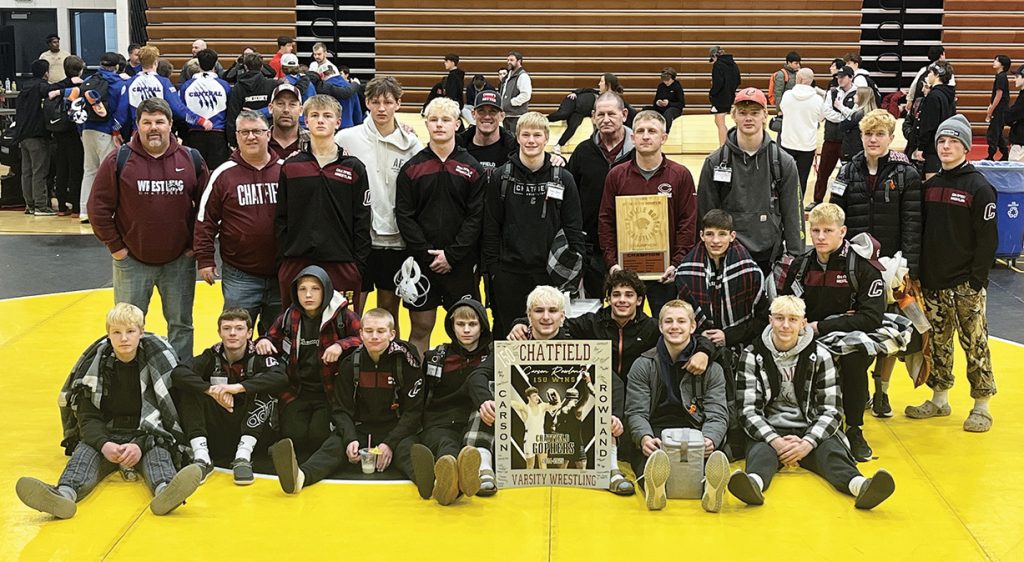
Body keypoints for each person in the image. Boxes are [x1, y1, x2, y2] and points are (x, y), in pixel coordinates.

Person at [16, 303, 202, 519]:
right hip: (106, 434)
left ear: (141, 333)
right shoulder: (94, 367)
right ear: (108, 335)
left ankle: (166, 491)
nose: (124, 338)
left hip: (146, 434)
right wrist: (104, 444)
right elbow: (87, 417)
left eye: (130, 332)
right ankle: (63, 495)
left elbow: (167, 412)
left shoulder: (158, 361)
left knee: (159, 454)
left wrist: (139, 445)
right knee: (84, 455)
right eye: (117, 332)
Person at [728, 296, 896, 510]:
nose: (785, 325)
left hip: (811, 426)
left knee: (832, 452)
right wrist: (775, 441)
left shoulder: (821, 355)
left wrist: (808, 442)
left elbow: (832, 410)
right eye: (779, 318)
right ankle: (753, 485)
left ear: (803, 323)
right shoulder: (752, 355)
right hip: (770, 429)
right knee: (760, 453)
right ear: (770, 320)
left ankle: (861, 486)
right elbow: (748, 411)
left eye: (792, 319)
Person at [469, 285, 627, 494]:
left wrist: (614, 416)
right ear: (528, 316)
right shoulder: (511, 347)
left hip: (569, 431)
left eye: (552, 311)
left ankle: (611, 470)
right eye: (539, 311)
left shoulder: (580, 348)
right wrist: (485, 401)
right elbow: (477, 376)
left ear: (563, 316)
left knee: (602, 404)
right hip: (524, 432)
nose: (546, 317)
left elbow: (615, 384)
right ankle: (485, 470)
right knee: (489, 402)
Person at [88, 97, 209, 364]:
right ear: (138, 126)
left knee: (181, 325)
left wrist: (193, 247)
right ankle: (129, 379)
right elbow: (97, 208)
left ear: (170, 125)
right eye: (147, 122)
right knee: (126, 328)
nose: (153, 128)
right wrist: (117, 248)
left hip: (178, 260)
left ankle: (180, 381)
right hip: (132, 261)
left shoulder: (191, 158)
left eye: (159, 122)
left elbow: (207, 209)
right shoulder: (119, 159)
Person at [907, 115, 998, 433]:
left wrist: (977, 281)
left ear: (966, 147)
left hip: (965, 284)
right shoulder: (930, 186)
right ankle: (940, 398)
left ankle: (982, 405)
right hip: (933, 283)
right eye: (942, 142)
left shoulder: (979, 188)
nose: (946, 147)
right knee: (938, 344)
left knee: (975, 343)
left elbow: (988, 239)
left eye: (953, 142)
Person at [268, 308, 421, 493]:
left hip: (396, 429)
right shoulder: (350, 363)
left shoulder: (406, 361)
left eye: (381, 331)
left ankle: (432, 483)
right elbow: (340, 409)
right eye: (369, 331)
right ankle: (301, 477)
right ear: (361, 334)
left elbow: (414, 411)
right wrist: (350, 439)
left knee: (409, 452)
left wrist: (390, 443)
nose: (375, 336)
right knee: (332, 447)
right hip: (361, 429)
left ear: (392, 334)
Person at [831, 109, 922, 417]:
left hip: (892, 267)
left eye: (879, 134)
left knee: (891, 331)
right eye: (868, 134)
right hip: (855, 265)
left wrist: (909, 264)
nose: (873, 139)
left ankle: (882, 391)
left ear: (890, 138)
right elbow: (835, 216)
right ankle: (855, 390)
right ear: (861, 136)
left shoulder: (906, 173)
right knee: (857, 326)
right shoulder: (847, 170)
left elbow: (912, 221)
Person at [777, 203, 885, 461]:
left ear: (843, 231)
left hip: (847, 336)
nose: (821, 237)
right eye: (815, 230)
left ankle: (855, 430)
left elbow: (871, 317)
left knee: (854, 360)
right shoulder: (800, 266)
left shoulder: (863, 268)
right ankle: (802, 423)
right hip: (807, 335)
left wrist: (823, 327)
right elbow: (787, 305)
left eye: (828, 230)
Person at [395, 97, 485, 357]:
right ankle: (418, 390)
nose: (439, 125)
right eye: (433, 119)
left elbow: (475, 217)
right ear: (426, 123)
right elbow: (405, 216)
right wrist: (426, 254)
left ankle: (467, 387)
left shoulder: (472, 168)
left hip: (461, 264)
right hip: (422, 264)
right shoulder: (412, 168)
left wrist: (452, 255)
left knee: (467, 328)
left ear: (457, 124)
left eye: (445, 120)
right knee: (421, 327)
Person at [482, 112, 585, 337]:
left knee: (549, 335)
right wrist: (493, 271)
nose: (531, 140)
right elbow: (491, 227)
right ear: (517, 137)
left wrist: (574, 271)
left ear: (546, 138)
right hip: (509, 273)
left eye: (537, 135)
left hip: (550, 273)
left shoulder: (563, 178)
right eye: (526, 134)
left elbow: (574, 228)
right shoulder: (501, 177)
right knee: (506, 334)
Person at [625, 299, 731, 512]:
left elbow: (718, 413)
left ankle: (710, 488)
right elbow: (636, 411)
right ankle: (653, 487)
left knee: (720, 450)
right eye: (669, 321)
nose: (675, 326)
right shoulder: (643, 364)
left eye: (681, 321)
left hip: (697, 429)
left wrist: (710, 439)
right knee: (642, 453)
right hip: (657, 430)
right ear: (660, 326)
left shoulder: (712, 368)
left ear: (692, 327)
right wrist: (644, 437)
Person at [336, 76, 422, 323]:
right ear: (366, 103)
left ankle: (386, 358)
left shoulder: (412, 144)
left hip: (396, 241)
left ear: (398, 104)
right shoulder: (346, 139)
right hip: (358, 240)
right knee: (352, 314)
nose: (381, 108)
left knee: (388, 314)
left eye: (387, 102)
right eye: (375, 102)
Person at [256, 266, 361, 464]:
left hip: (330, 392)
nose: (308, 295)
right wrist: (263, 341)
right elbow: (271, 337)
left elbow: (366, 339)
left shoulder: (342, 315)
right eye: (302, 289)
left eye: (315, 289)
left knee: (317, 437)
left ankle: (312, 465)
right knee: (293, 436)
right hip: (297, 390)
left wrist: (341, 345)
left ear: (327, 291)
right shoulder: (289, 316)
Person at [171, 308, 289, 485]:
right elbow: (179, 373)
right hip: (217, 431)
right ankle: (201, 457)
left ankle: (243, 456)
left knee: (266, 388)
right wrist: (212, 391)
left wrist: (238, 388)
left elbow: (281, 378)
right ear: (219, 332)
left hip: (253, 435)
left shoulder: (259, 357)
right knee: (189, 389)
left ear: (249, 333)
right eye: (226, 328)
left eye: (239, 328)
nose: (232, 333)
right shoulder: (210, 356)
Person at [598, 110, 698, 317]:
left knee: (667, 326)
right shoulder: (616, 175)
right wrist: (612, 263)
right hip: (625, 272)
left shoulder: (680, 175)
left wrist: (676, 263)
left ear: (664, 138)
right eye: (640, 131)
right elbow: (606, 221)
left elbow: (687, 223)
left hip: (666, 273)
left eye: (652, 131)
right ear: (632, 137)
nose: (645, 136)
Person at [275, 94, 371, 311]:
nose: (320, 120)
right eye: (315, 115)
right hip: (296, 261)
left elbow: (362, 219)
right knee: (296, 327)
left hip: (342, 262)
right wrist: (283, 263)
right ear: (305, 120)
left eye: (327, 116)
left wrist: (357, 265)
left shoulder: (354, 168)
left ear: (337, 122)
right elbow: (281, 218)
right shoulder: (291, 167)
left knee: (343, 329)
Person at [696, 87, 804, 273]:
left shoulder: (783, 162)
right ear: (734, 116)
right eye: (743, 113)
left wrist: (796, 259)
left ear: (765, 116)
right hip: (726, 257)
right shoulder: (714, 162)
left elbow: (794, 213)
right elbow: (705, 213)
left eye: (755, 113)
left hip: (770, 257)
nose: (748, 118)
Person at [194, 109, 281, 335]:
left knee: (278, 338)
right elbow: (206, 220)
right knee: (236, 335)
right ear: (236, 136)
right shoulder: (224, 173)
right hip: (240, 274)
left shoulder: (286, 170)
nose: (251, 137)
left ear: (269, 134)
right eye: (244, 132)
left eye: (257, 131)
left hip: (281, 272)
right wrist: (205, 259)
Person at [404, 298, 490, 505]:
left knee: (472, 447)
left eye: (473, 324)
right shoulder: (436, 357)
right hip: (440, 422)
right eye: (461, 324)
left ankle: (452, 484)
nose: (466, 330)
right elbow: (421, 396)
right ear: (452, 326)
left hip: (475, 422)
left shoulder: (494, 356)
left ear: (483, 326)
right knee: (447, 444)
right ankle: (453, 478)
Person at [568, 92, 636, 298]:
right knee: (592, 310)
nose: (605, 119)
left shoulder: (639, 153)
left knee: (629, 306)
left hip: (633, 246)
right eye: (601, 114)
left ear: (624, 115)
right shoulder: (582, 152)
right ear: (593, 116)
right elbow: (570, 198)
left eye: (611, 114)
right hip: (592, 247)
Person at [675, 209, 767, 356]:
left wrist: (728, 336)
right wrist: (700, 336)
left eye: (722, 234)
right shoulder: (684, 273)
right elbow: (679, 318)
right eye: (710, 234)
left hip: (743, 347)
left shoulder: (750, 272)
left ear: (732, 236)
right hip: (696, 346)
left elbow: (763, 320)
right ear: (701, 236)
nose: (715, 241)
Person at [811, 65, 857, 211]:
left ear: (850, 77)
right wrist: (844, 117)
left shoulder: (858, 93)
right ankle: (817, 200)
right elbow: (827, 112)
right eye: (838, 77)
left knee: (847, 173)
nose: (839, 79)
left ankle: (843, 202)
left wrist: (844, 115)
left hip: (848, 140)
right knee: (823, 171)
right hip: (831, 138)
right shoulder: (831, 92)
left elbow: (855, 115)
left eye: (842, 77)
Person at [549, 73, 632, 151]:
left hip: (579, 113)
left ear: (608, 84)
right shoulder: (594, 92)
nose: (599, 84)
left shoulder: (616, 100)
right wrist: (575, 93)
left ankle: (558, 145)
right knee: (563, 114)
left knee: (573, 126)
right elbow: (584, 89)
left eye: (601, 81)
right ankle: (543, 119)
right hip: (573, 101)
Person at [15, 59, 56, 215]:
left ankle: (29, 204)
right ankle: (40, 205)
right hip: (37, 135)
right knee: (40, 171)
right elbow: (54, 89)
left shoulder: (24, 87)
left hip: (22, 135)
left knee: (26, 172)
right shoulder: (41, 86)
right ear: (46, 72)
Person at [180, 48, 232, 170]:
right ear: (216, 63)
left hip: (194, 133)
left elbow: (182, 111)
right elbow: (230, 110)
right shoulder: (224, 85)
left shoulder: (187, 86)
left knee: (195, 172)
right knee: (216, 174)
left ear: (198, 63)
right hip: (218, 134)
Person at [778, 68, 823, 198]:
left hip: (787, 142)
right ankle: (797, 206)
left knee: (783, 177)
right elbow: (821, 118)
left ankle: (782, 204)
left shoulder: (787, 95)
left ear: (799, 79)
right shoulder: (818, 100)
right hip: (807, 145)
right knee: (802, 179)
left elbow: (782, 109)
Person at [50, 56, 86, 216]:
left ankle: (62, 206)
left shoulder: (58, 86)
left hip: (58, 130)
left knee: (61, 168)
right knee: (76, 170)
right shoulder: (82, 86)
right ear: (81, 70)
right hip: (74, 131)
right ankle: (77, 207)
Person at [911, 61, 956, 180]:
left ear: (937, 75)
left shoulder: (934, 96)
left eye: (930, 72)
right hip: (943, 143)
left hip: (932, 148)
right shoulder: (948, 95)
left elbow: (928, 124)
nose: (928, 75)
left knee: (931, 186)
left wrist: (921, 147)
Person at [225, 52, 280, 143]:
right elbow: (278, 110)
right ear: (262, 67)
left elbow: (232, 115)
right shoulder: (273, 85)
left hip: (246, 137)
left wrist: (233, 142)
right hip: (268, 136)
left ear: (245, 67)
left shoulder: (238, 88)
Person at [456, 90, 517, 169]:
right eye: (481, 111)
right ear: (473, 114)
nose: (487, 116)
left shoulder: (514, 150)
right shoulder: (458, 146)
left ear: (502, 116)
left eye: (493, 111)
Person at [709, 46, 741, 146]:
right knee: (721, 121)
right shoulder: (733, 64)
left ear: (714, 56)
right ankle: (727, 144)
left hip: (720, 97)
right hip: (731, 95)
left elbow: (718, 83)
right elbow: (738, 80)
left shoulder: (718, 65)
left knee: (720, 122)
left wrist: (712, 93)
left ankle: (723, 146)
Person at [267, 83, 307, 160]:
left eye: (292, 104)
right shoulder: (259, 141)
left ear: (301, 110)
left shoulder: (313, 142)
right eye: (280, 104)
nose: (286, 110)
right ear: (270, 108)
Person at [839, 87, 879, 162]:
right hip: (867, 150)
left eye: (856, 94)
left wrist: (842, 109)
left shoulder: (858, 115)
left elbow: (842, 126)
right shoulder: (874, 114)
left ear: (862, 97)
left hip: (854, 151)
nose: (854, 96)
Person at [986, 55, 1012, 161]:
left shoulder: (1001, 77)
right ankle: (1005, 153)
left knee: (993, 132)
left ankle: (991, 155)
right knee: (998, 132)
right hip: (1000, 108)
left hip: (1000, 109)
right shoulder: (1001, 76)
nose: (994, 62)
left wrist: (991, 109)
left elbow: (999, 94)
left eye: (996, 61)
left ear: (1002, 64)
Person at [499, 51, 532, 131]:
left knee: (515, 139)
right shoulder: (508, 76)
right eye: (508, 60)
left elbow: (526, 95)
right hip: (507, 115)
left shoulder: (523, 76)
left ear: (519, 61)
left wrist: (511, 102)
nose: (509, 62)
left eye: (511, 60)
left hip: (517, 116)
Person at [649, 67, 685, 133]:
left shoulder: (677, 87)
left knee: (668, 113)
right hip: (661, 108)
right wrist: (658, 102)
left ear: (673, 78)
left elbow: (681, 104)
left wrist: (669, 103)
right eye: (664, 80)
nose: (666, 82)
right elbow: (655, 100)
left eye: (668, 80)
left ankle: (666, 132)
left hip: (674, 108)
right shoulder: (661, 86)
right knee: (646, 110)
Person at [770, 51, 801, 116]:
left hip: (796, 106)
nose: (798, 65)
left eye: (799, 63)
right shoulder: (781, 75)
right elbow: (778, 94)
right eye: (796, 63)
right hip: (785, 107)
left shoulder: (798, 73)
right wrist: (779, 110)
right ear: (789, 63)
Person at [1006, 64, 1024, 162]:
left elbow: (1011, 115)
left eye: (1017, 77)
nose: (1014, 80)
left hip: (1021, 144)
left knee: (1015, 174)